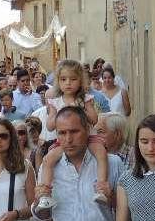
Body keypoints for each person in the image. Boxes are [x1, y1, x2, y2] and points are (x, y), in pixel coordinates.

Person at [37, 60, 110, 210]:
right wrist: (58, 115)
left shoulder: (85, 99)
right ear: (58, 81)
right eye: (63, 79)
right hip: (63, 142)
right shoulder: (55, 102)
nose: (68, 83)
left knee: (101, 152)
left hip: (87, 138)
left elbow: (94, 119)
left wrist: (82, 108)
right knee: (48, 160)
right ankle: (45, 194)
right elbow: (50, 126)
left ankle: (101, 187)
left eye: (73, 79)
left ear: (80, 80)